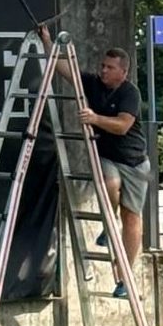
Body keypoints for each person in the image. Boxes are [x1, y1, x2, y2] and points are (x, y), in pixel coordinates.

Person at [40, 25, 150, 298]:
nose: (103, 71)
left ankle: (124, 275)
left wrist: (95, 119)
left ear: (123, 72)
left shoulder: (129, 93)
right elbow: (66, 70)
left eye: (110, 67)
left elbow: (123, 126)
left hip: (135, 161)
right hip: (107, 156)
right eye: (103, 66)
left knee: (132, 217)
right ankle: (108, 226)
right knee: (109, 183)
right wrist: (48, 42)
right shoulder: (93, 84)